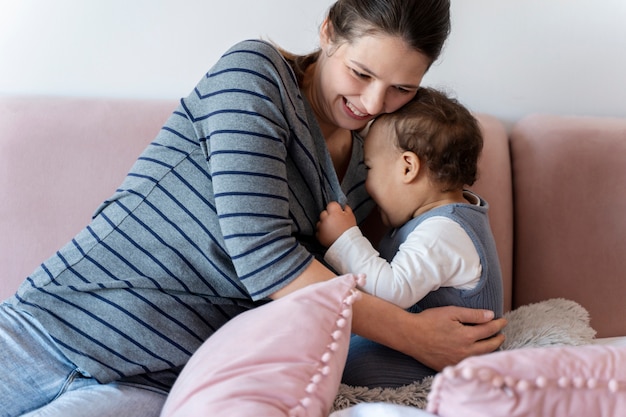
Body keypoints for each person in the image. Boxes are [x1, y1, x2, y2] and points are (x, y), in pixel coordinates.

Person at [0, 1, 506, 416]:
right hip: (52, 328)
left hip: (158, 383)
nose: (373, 103)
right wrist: (417, 337)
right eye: (360, 72)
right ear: (329, 32)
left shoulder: (373, 169)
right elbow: (263, 256)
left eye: (402, 88)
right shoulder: (256, 74)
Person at [316, 87, 504, 387]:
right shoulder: (443, 220)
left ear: (407, 167)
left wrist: (344, 238)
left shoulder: (443, 230)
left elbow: (392, 291)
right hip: (424, 354)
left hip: (440, 366)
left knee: (353, 366)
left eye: (369, 168)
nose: (366, 184)